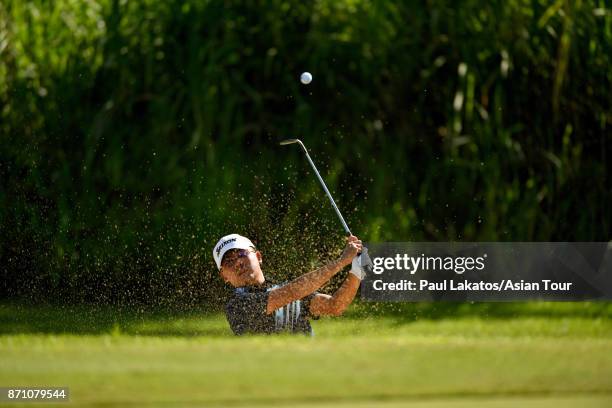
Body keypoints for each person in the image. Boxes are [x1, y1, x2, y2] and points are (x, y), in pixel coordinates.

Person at [213, 233, 369, 335]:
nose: (238, 263)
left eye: (241, 253)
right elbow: (290, 293)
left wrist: (357, 270)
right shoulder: (236, 304)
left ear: (258, 256)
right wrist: (341, 262)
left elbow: (335, 306)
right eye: (229, 262)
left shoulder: (285, 288)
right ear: (224, 276)